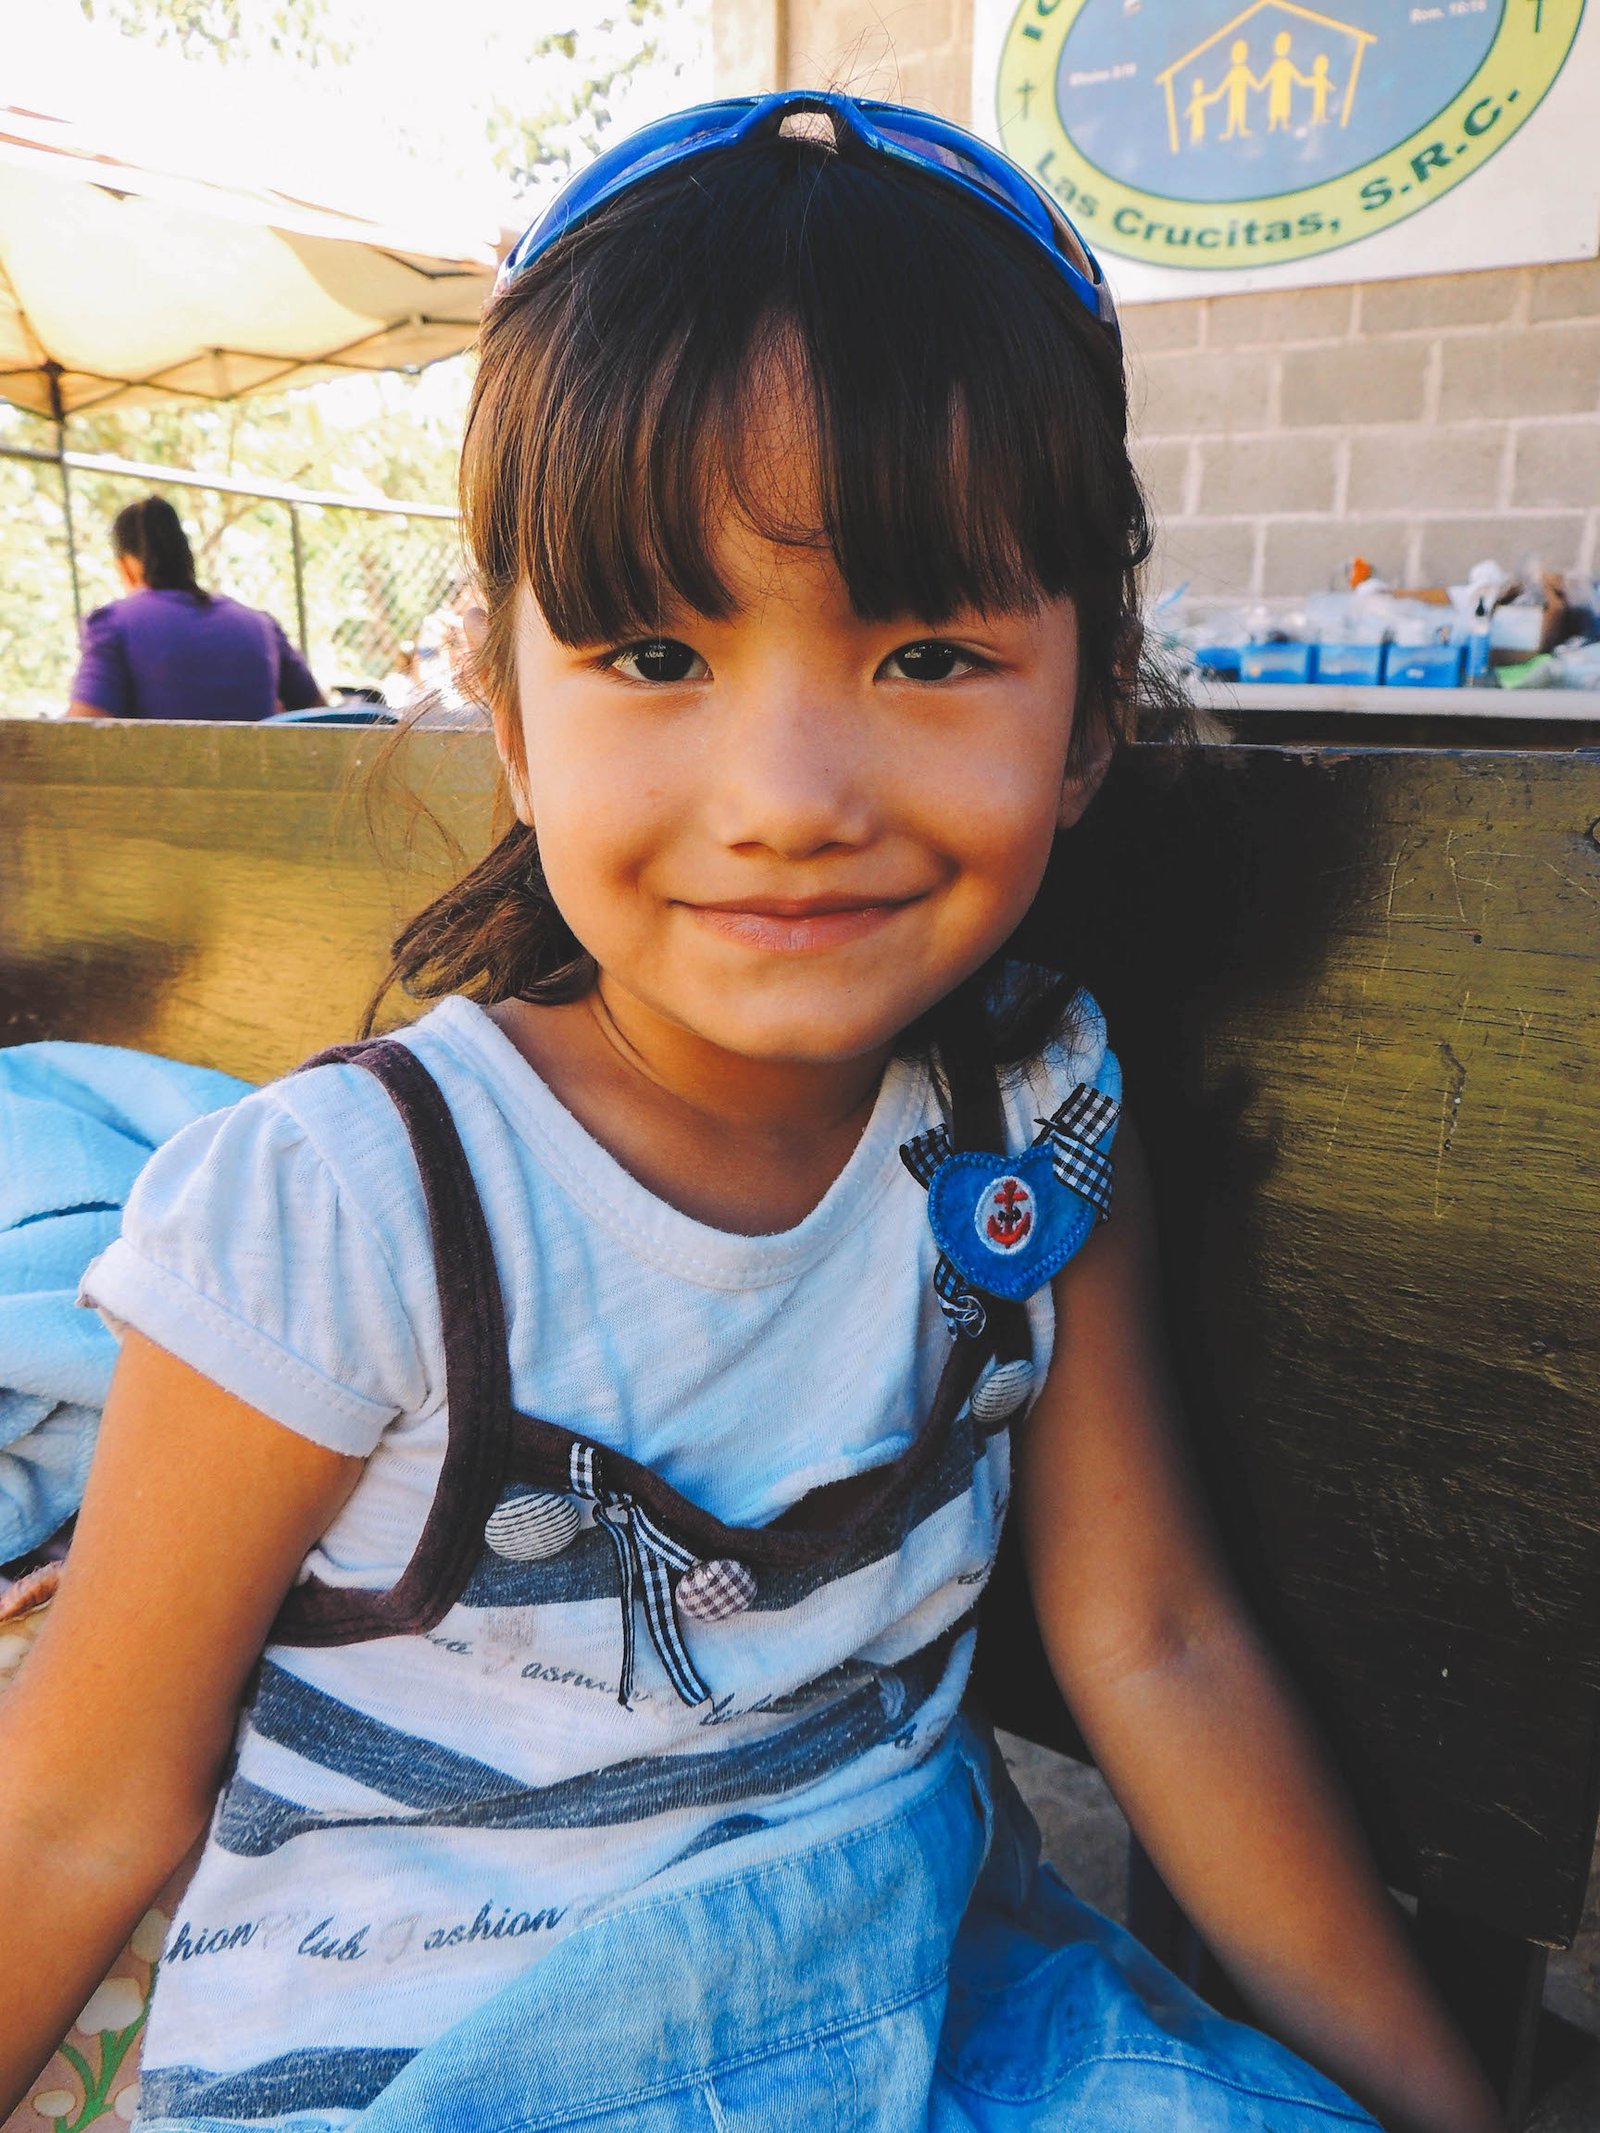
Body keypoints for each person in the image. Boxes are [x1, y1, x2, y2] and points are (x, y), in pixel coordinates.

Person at [2, 93, 1500, 2133]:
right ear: (511, 717)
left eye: (929, 650)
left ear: (1090, 706)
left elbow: (1152, 1640)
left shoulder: (1029, 1128)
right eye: (654, 649)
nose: (789, 793)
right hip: (443, 2062)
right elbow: (80, 1803)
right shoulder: (348, 1207)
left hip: (910, 1993)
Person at [66, 496, 325, 723]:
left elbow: (81, 732)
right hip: (261, 766)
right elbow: (320, 716)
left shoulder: (114, 624)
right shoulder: (261, 625)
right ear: (187, 557)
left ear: (126, 566)